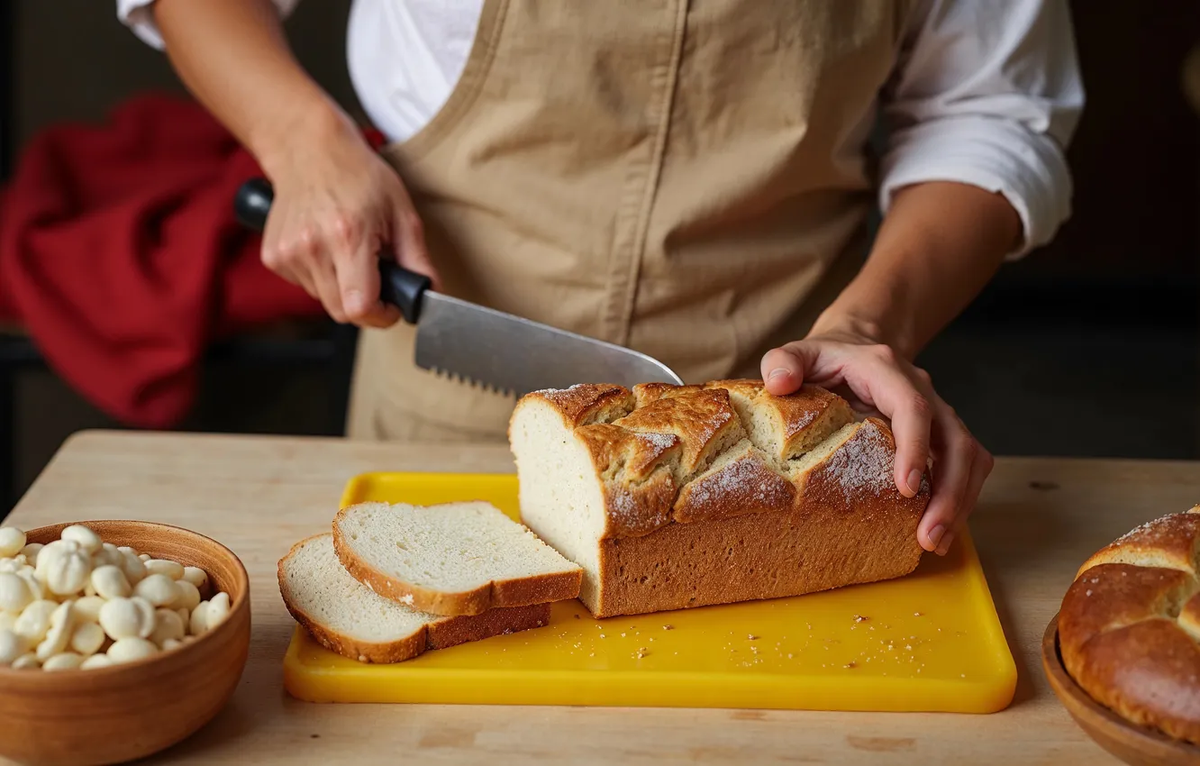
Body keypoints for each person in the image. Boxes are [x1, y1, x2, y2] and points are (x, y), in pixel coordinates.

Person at [118, 0, 1083, 557]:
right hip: (437, 358)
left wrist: (872, 322)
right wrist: (302, 140)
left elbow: (990, 109)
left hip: (783, 403)